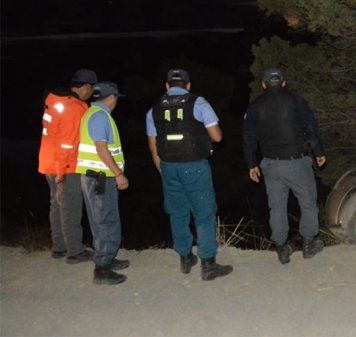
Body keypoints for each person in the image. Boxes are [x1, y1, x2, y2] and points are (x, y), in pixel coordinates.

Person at [146, 69, 232, 281]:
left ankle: (185, 258)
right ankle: (208, 264)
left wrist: (162, 169)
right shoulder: (198, 103)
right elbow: (217, 137)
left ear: (167, 86)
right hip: (194, 166)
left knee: (177, 212)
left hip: (168, 166)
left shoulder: (154, 109)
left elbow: (153, 146)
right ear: (189, 85)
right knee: (204, 213)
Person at [243, 68, 326, 264]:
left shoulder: (255, 106)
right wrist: (319, 152)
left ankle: (281, 248)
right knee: (307, 203)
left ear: (263, 85)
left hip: (271, 165)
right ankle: (309, 244)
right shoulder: (296, 100)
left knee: (277, 207)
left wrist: (252, 164)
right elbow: (311, 128)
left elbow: (248, 137)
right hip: (297, 162)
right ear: (283, 83)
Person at [38, 69, 97, 263]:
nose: (91, 94)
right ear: (86, 87)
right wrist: (62, 171)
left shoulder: (54, 100)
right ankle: (75, 251)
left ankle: (59, 247)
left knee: (57, 204)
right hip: (65, 164)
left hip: (49, 161)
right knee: (70, 206)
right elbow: (67, 144)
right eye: (91, 89)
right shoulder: (73, 107)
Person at [76, 82, 131, 285]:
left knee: (103, 220)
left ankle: (108, 257)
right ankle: (102, 268)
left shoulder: (92, 113)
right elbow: (101, 149)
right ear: (111, 97)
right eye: (116, 97)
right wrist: (118, 174)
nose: (116, 101)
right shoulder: (100, 117)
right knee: (105, 221)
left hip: (96, 177)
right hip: (100, 178)